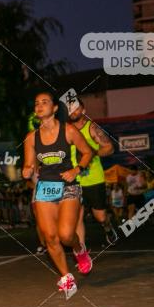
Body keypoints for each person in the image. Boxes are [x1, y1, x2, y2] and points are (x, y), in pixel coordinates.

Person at [23, 91, 93, 295]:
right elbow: (28, 165)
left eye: (44, 102)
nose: (39, 105)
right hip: (45, 187)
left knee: (65, 235)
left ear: (54, 108)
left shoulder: (69, 130)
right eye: (36, 103)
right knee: (50, 237)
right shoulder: (31, 138)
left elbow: (88, 152)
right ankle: (66, 276)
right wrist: (26, 170)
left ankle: (79, 249)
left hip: (68, 186)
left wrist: (77, 170)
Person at [67, 98, 117, 246]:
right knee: (76, 217)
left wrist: (92, 153)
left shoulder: (92, 128)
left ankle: (107, 227)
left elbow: (109, 148)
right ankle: (81, 251)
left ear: (83, 111)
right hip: (74, 180)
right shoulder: (66, 130)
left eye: (76, 108)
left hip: (94, 179)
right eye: (70, 109)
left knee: (100, 216)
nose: (73, 112)